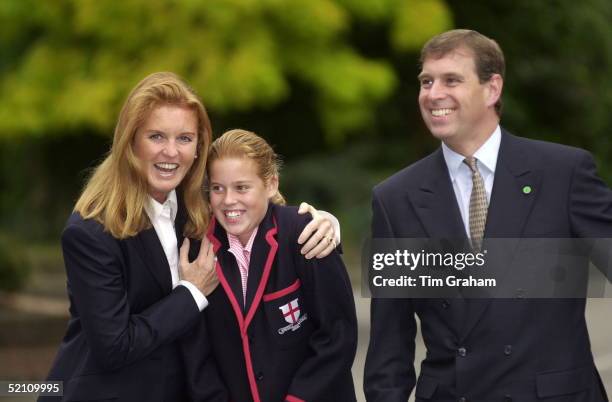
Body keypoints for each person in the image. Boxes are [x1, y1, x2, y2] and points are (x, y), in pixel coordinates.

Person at [42, 72, 341, 402]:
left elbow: (253, 206)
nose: (171, 152)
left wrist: (322, 222)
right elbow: (114, 346)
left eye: (184, 138)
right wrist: (192, 292)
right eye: (156, 136)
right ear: (131, 142)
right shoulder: (90, 232)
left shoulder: (195, 209)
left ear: (199, 147)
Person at [364, 30, 611, 401]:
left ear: (492, 88)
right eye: (426, 82)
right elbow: (388, 345)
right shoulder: (395, 198)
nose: (433, 94)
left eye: (452, 80)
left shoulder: (563, 173)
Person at [199, 129, 358, 402]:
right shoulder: (200, 252)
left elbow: (337, 335)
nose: (228, 200)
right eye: (217, 188)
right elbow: (200, 354)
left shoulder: (307, 234)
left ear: (271, 184)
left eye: (242, 187)